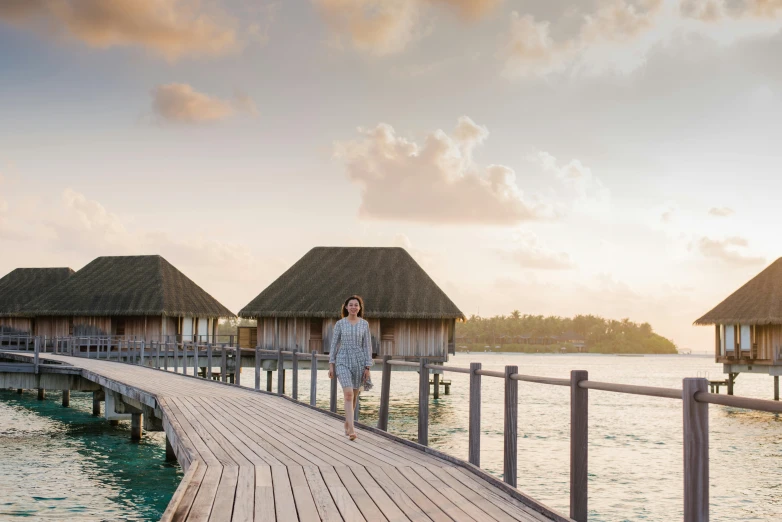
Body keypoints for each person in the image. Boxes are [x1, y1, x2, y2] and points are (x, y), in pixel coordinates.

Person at [328, 295, 373, 441]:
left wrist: (367, 366)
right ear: (346, 307)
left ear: (359, 308)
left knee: (354, 397)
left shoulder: (364, 324)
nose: (353, 307)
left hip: (359, 361)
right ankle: (352, 430)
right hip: (343, 359)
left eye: (356, 305)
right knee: (348, 394)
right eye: (351, 305)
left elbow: (367, 346)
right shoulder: (340, 324)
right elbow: (334, 345)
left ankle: (347, 423)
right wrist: (331, 365)